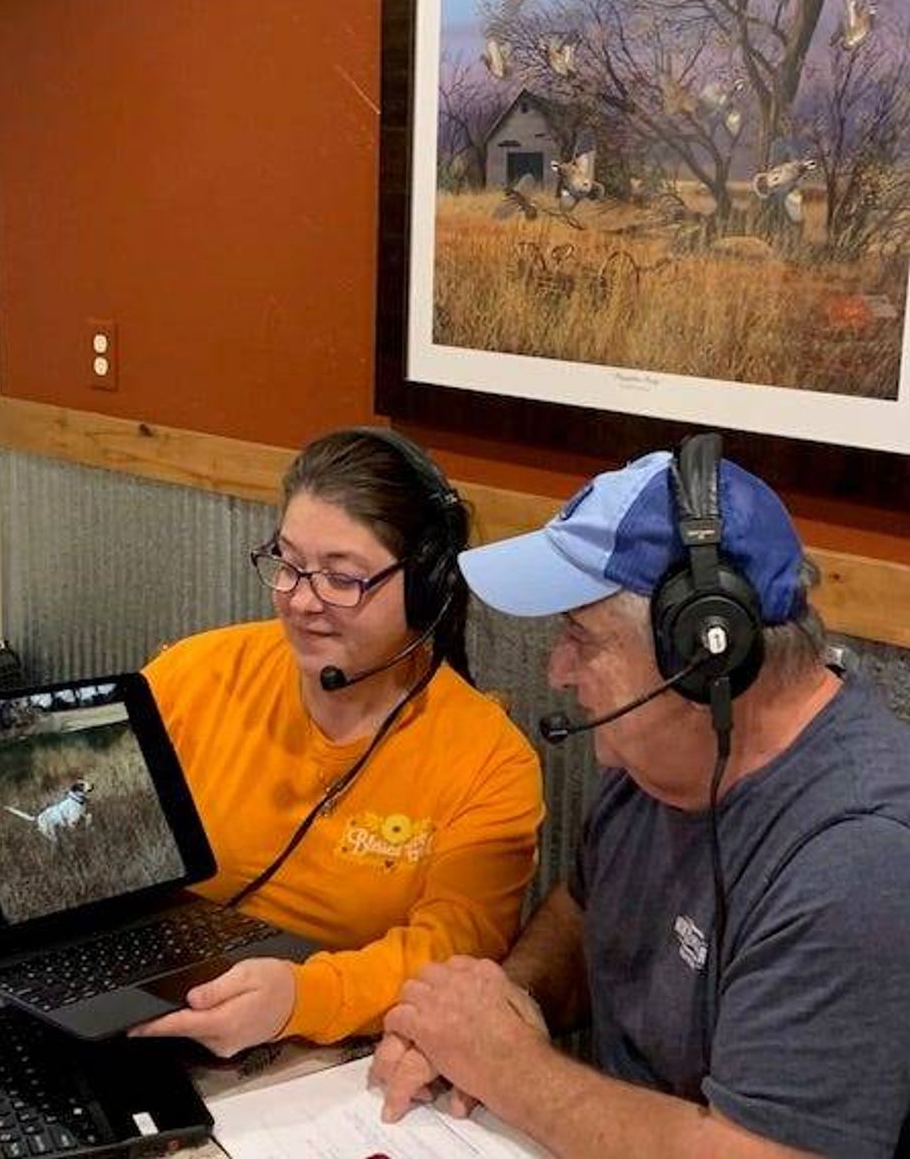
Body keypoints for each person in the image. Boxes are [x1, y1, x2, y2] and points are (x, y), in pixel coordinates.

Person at [372, 435, 910, 1159]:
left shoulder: (860, 855)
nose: (557, 670)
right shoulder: (658, 756)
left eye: (580, 638)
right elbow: (586, 910)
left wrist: (504, 1062)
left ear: (702, 657)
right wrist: (509, 1001)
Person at [129, 426, 543, 1058]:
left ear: (426, 584)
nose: (300, 601)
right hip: (155, 1014)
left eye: (341, 578)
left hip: (334, 1061)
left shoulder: (490, 761)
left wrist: (300, 999)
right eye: (288, 564)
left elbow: (453, 952)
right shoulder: (198, 674)